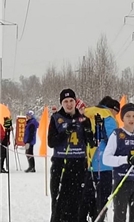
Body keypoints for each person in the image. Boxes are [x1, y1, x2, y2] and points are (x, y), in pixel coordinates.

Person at [48, 88, 95, 222]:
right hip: (61, 164)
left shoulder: (83, 118)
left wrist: (87, 128)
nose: (69, 104)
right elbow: (51, 142)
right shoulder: (56, 118)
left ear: (75, 102)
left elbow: (91, 142)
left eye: (71, 101)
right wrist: (65, 133)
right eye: (65, 101)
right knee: (58, 202)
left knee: (77, 203)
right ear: (61, 103)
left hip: (79, 165)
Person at [103, 103, 134, 222]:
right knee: (120, 217)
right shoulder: (117, 134)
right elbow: (106, 159)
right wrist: (126, 159)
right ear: (122, 118)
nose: (131, 119)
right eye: (128, 116)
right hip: (123, 181)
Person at [80, 96, 120, 222]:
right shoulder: (107, 117)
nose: (115, 115)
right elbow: (113, 141)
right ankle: (98, 219)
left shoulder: (86, 112)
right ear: (111, 108)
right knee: (102, 199)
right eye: (116, 112)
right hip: (104, 164)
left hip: (87, 161)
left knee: (86, 197)